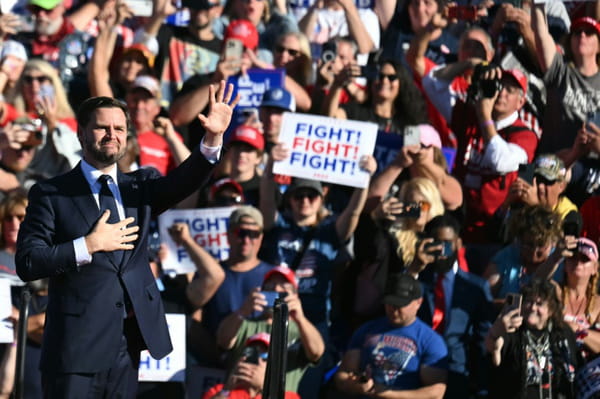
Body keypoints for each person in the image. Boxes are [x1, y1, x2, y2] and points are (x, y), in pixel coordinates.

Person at [15, 81, 239, 397]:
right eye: (102, 127)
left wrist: (213, 138)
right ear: (81, 133)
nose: (112, 134)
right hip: (75, 351)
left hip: (127, 347)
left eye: (119, 128)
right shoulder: (52, 193)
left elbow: (184, 181)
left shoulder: (140, 186)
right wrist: (88, 245)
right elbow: (27, 261)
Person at [408, 214, 495, 398]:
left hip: (455, 368)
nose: (441, 250)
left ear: (458, 243)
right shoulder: (415, 278)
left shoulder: (476, 287)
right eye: (436, 243)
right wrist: (416, 266)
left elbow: (482, 339)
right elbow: (398, 304)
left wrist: (481, 385)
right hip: (415, 364)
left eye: (447, 243)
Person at [334, 273, 448, 398]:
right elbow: (342, 375)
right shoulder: (367, 330)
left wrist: (388, 393)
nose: (393, 309)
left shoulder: (430, 340)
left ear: (418, 303)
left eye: (400, 305)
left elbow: (436, 392)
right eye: (390, 303)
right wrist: (356, 385)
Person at [216, 266, 324, 393]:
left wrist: (300, 318)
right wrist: (243, 311)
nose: (276, 289)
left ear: (295, 295)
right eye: (270, 287)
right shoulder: (244, 324)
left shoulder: (301, 331)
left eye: (284, 288)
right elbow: (223, 340)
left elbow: (317, 352)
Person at [485, 279, 581, 398]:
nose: (532, 308)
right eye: (528, 301)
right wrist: (497, 331)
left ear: (551, 310)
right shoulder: (512, 331)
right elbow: (493, 350)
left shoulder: (563, 333)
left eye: (539, 304)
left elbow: (574, 367)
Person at [483, 205, 563, 304]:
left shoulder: (561, 264)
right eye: (529, 245)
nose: (534, 251)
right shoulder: (505, 256)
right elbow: (486, 299)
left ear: (553, 242)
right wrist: (512, 304)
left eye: (541, 245)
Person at [202, 333, 301, 399]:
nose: (257, 361)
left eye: (264, 357)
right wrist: (226, 391)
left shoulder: (288, 396)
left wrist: (266, 388)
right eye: (251, 354)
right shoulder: (219, 391)